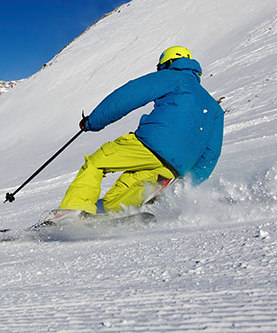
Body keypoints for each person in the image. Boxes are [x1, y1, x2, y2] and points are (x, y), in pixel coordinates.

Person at [46, 46, 224, 223]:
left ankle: (72, 212)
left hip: (151, 145)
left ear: (167, 63)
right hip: (174, 169)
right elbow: (211, 154)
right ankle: (107, 219)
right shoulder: (214, 108)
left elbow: (128, 96)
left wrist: (93, 121)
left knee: (96, 163)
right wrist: (187, 183)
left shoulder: (172, 77)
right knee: (116, 201)